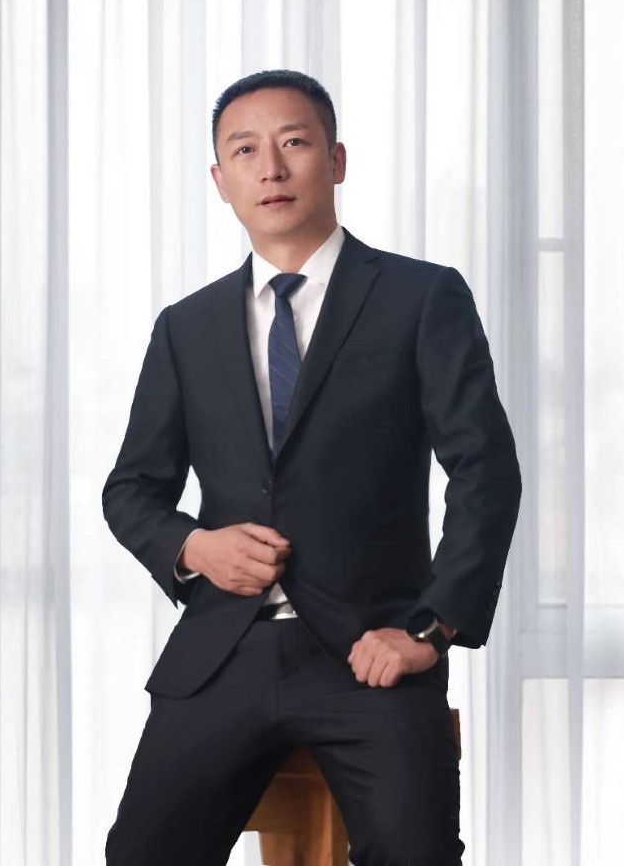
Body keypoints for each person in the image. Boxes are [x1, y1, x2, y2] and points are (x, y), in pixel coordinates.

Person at [102, 68, 521, 865]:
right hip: (223, 653)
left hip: (371, 651)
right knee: (142, 854)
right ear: (220, 180)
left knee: (417, 855)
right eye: (245, 150)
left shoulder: (421, 297)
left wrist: (431, 627)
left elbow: (486, 472)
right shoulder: (185, 327)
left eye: (293, 142)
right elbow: (131, 490)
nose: (271, 167)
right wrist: (196, 547)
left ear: (335, 160)